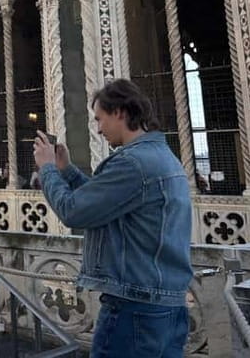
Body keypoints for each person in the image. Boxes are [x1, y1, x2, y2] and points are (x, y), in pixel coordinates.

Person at [32, 79, 193, 358]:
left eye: (100, 119)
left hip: (135, 310)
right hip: (164, 305)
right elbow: (105, 205)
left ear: (119, 112)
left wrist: (47, 169)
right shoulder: (161, 157)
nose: (98, 128)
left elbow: (73, 211)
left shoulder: (133, 163)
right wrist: (67, 171)